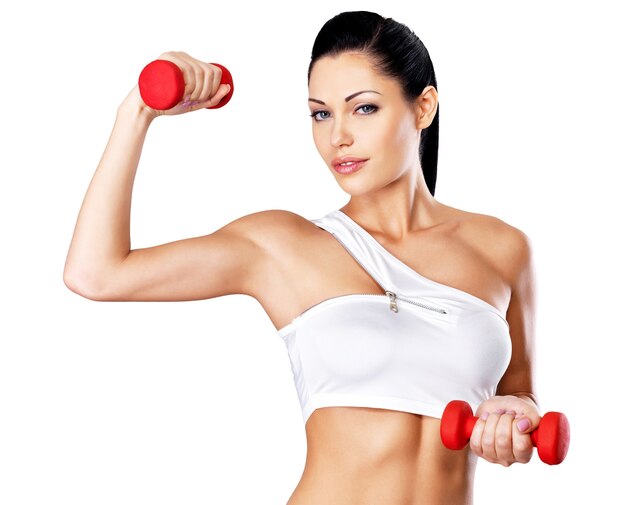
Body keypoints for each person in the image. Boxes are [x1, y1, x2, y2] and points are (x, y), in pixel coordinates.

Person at [64, 10, 542, 505]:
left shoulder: (502, 248)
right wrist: (137, 112)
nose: (338, 137)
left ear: (423, 108)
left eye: (364, 109)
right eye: (320, 113)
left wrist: (512, 419)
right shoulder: (281, 246)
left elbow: (520, 394)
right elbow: (95, 273)